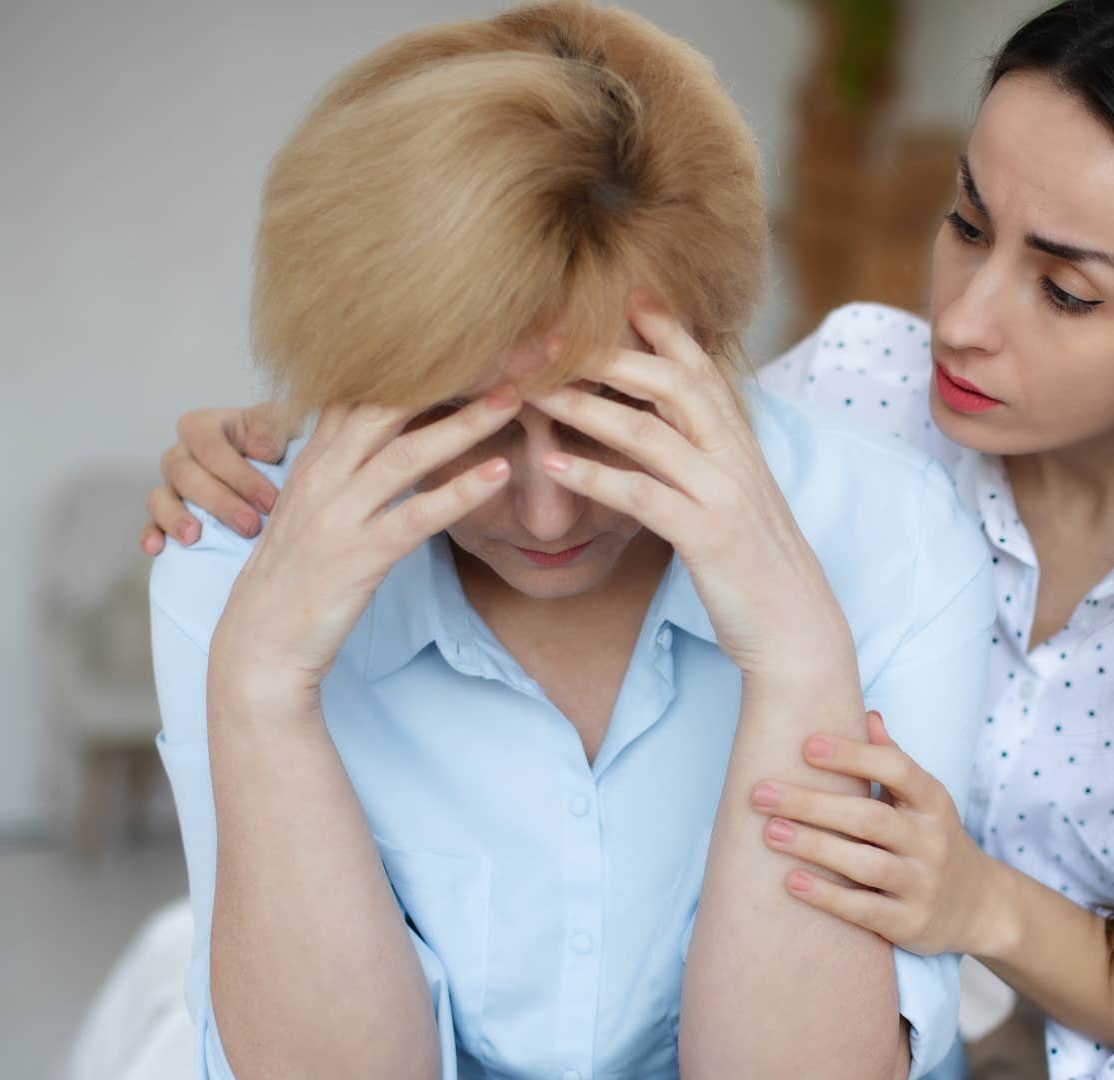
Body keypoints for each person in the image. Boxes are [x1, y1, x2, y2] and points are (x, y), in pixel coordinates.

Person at [150, 1, 1114, 1077]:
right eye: (969, 226)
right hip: (1039, 1025)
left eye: (1069, 289)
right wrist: (316, 405)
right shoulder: (864, 393)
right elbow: (594, 386)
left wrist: (979, 906)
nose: (963, 320)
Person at [144, 5, 992, 1079]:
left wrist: (798, 660)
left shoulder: (891, 536)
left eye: (604, 421)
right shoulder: (229, 551)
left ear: (711, 341)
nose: (548, 514)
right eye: (465, 425)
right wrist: (260, 687)